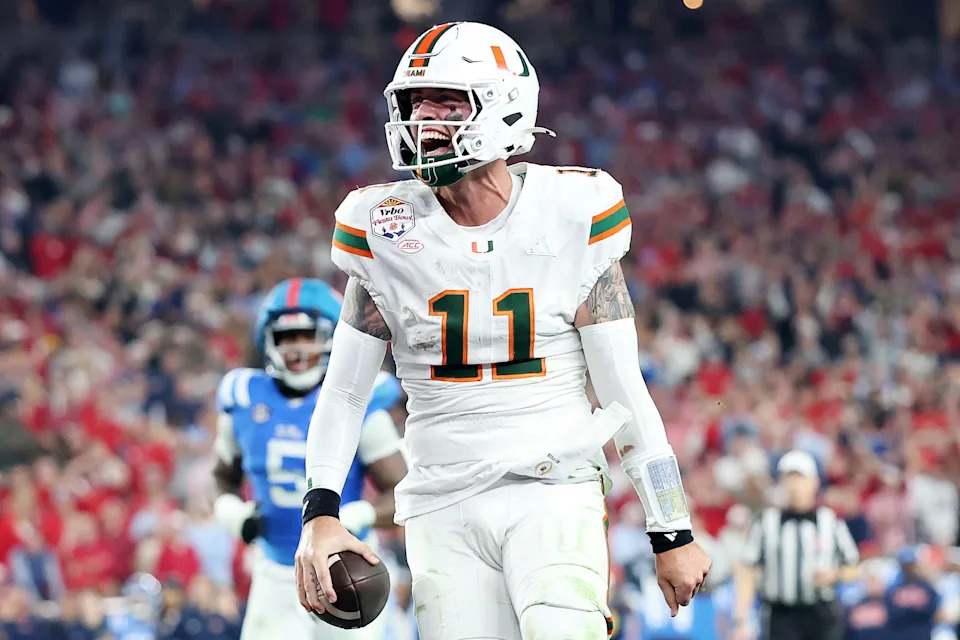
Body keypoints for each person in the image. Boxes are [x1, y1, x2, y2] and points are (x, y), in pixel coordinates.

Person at [294, 21, 710, 640]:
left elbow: (624, 392)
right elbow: (345, 393)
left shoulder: (572, 212)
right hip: (440, 498)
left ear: (505, 104)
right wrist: (319, 513)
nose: (426, 120)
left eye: (448, 101)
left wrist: (670, 528)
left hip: (554, 484)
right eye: (417, 103)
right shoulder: (382, 229)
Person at [213, 278, 407, 640]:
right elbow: (221, 477)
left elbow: (402, 491)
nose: (298, 348)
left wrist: (349, 517)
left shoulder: (356, 402)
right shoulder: (243, 397)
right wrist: (231, 513)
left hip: (343, 570)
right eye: (288, 337)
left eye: (308, 335)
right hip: (273, 570)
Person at [733, 450, 860, 640]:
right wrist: (741, 619)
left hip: (822, 614)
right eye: (789, 478)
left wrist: (834, 575)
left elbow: (854, 567)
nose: (794, 486)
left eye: (800, 478)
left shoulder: (831, 521)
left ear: (814, 482)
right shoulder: (766, 522)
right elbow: (747, 569)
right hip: (781, 615)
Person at [884, 546, 941, 640]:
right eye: (906, 566)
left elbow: (932, 608)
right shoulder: (894, 588)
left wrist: (907, 608)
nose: (909, 569)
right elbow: (890, 612)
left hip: (922, 633)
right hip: (899, 634)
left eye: (911, 565)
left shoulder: (926, 586)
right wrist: (912, 607)